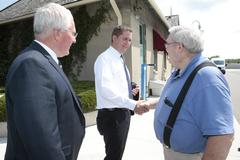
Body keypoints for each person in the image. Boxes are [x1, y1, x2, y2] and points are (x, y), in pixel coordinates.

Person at [4, 3, 85, 160]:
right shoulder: (31, 65)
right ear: (57, 33)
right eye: (73, 33)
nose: (74, 40)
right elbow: (41, 139)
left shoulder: (41, 61)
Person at [146, 26, 234, 160]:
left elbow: (222, 136)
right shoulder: (181, 70)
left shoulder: (206, 77)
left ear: (179, 47)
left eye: (167, 44)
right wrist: (150, 104)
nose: (165, 48)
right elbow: (180, 100)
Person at [94, 25, 149, 160]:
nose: (128, 43)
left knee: (116, 155)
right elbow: (106, 90)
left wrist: (130, 91)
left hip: (121, 114)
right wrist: (133, 104)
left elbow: (116, 86)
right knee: (114, 156)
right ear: (114, 38)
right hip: (113, 116)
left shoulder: (119, 59)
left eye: (130, 40)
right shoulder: (104, 59)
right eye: (125, 39)